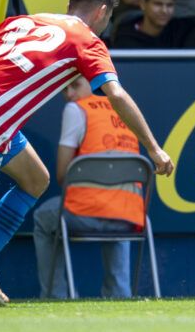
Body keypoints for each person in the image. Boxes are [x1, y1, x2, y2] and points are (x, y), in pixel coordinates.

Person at [0, 0, 174, 306]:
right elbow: (115, 93)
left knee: (36, 179)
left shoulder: (22, 21)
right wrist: (153, 147)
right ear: (102, 12)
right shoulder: (87, 41)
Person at [33, 76, 141, 299]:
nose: (70, 94)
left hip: (85, 212)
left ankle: (55, 296)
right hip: (131, 216)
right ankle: (120, 295)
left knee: (43, 218)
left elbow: (63, 174)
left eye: (75, 85)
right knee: (118, 210)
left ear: (93, 84)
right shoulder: (122, 108)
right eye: (64, 89)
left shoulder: (76, 109)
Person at [112, 0, 195, 49]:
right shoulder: (126, 38)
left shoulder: (182, 29)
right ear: (142, 4)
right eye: (158, 4)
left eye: (169, 5)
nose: (164, 10)